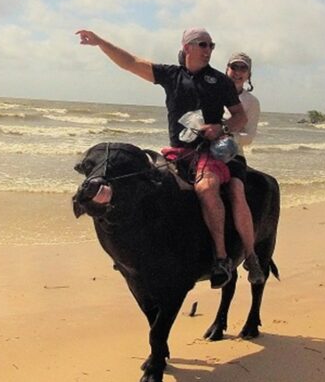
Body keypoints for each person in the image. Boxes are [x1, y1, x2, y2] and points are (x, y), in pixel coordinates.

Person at [76, 27, 248, 289]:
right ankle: (133, 251)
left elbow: (240, 116)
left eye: (211, 45)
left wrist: (222, 128)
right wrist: (100, 42)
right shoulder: (171, 75)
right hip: (176, 152)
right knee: (143, 183)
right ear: (187, 47)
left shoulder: (220, 81)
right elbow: (131, 62)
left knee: (206, 188)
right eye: (203, 44)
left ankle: (221, 258)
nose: (208, 50)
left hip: (207, 152)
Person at [224, 52, 264, 284]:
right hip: (201, 150)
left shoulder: (251, 102)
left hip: (233, 155)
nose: (238, 72)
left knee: (237, 193)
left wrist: (227, 134)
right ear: (227, 68)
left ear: (248, 74)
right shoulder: (212, 91)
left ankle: (250, 255)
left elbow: (249, 137)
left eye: (243, 69)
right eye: (234, 67)